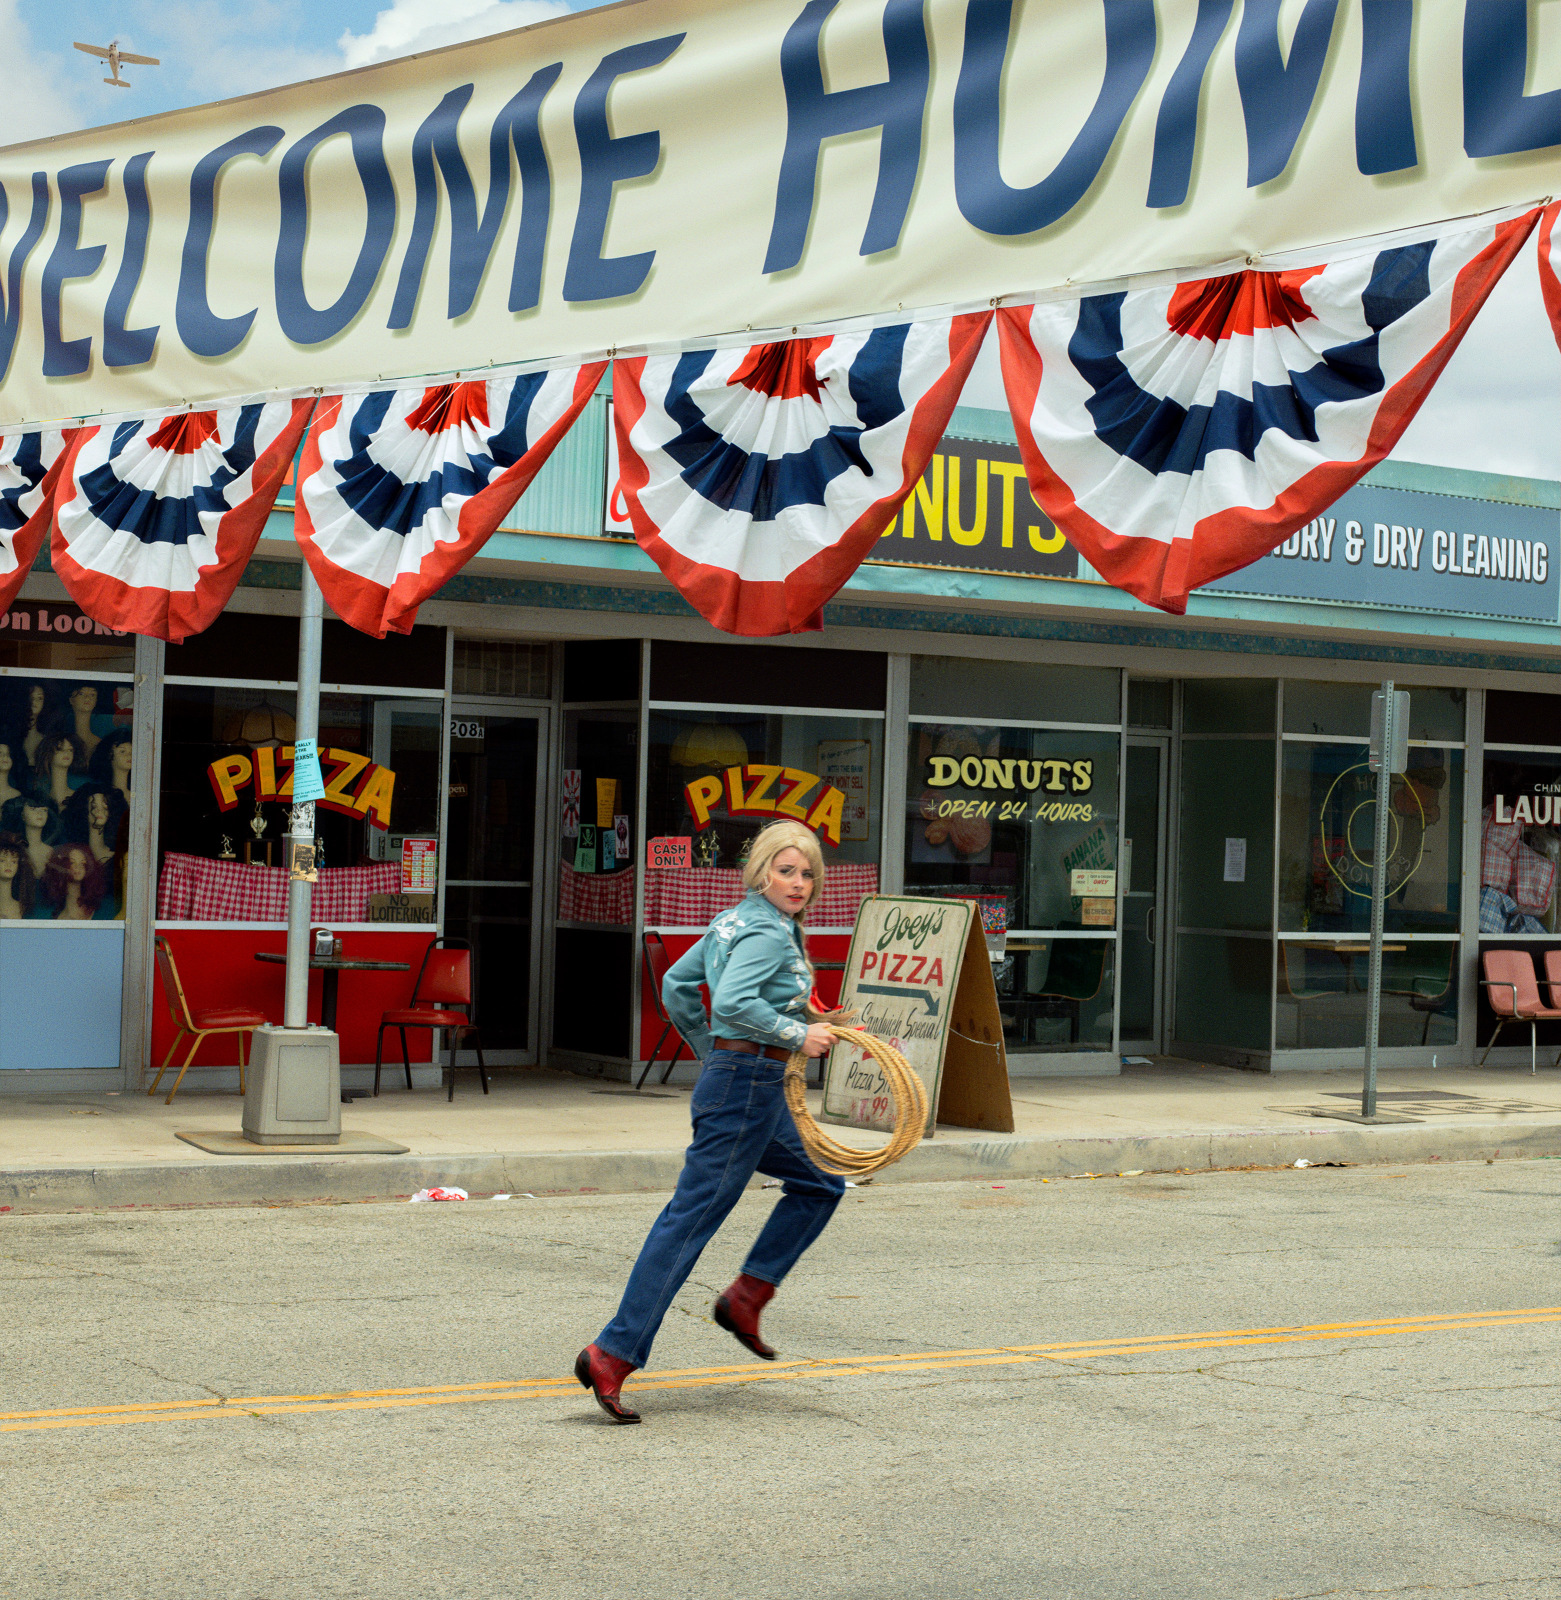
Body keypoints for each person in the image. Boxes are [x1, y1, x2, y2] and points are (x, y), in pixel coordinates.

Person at [576, 818, 844, 1425]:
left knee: (819, 1184)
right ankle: (612, 1352)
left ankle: (745, 1299)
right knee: (690, 1220)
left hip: (746, 1084)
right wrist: (798, 1035)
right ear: (761, 871)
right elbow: (730, 1003)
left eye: (807, 873)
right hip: (746, 1089)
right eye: (785, 870)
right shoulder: (769, 933)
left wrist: (712, 1050)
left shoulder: (740, 920)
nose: (798, 882)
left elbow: (676, 984)